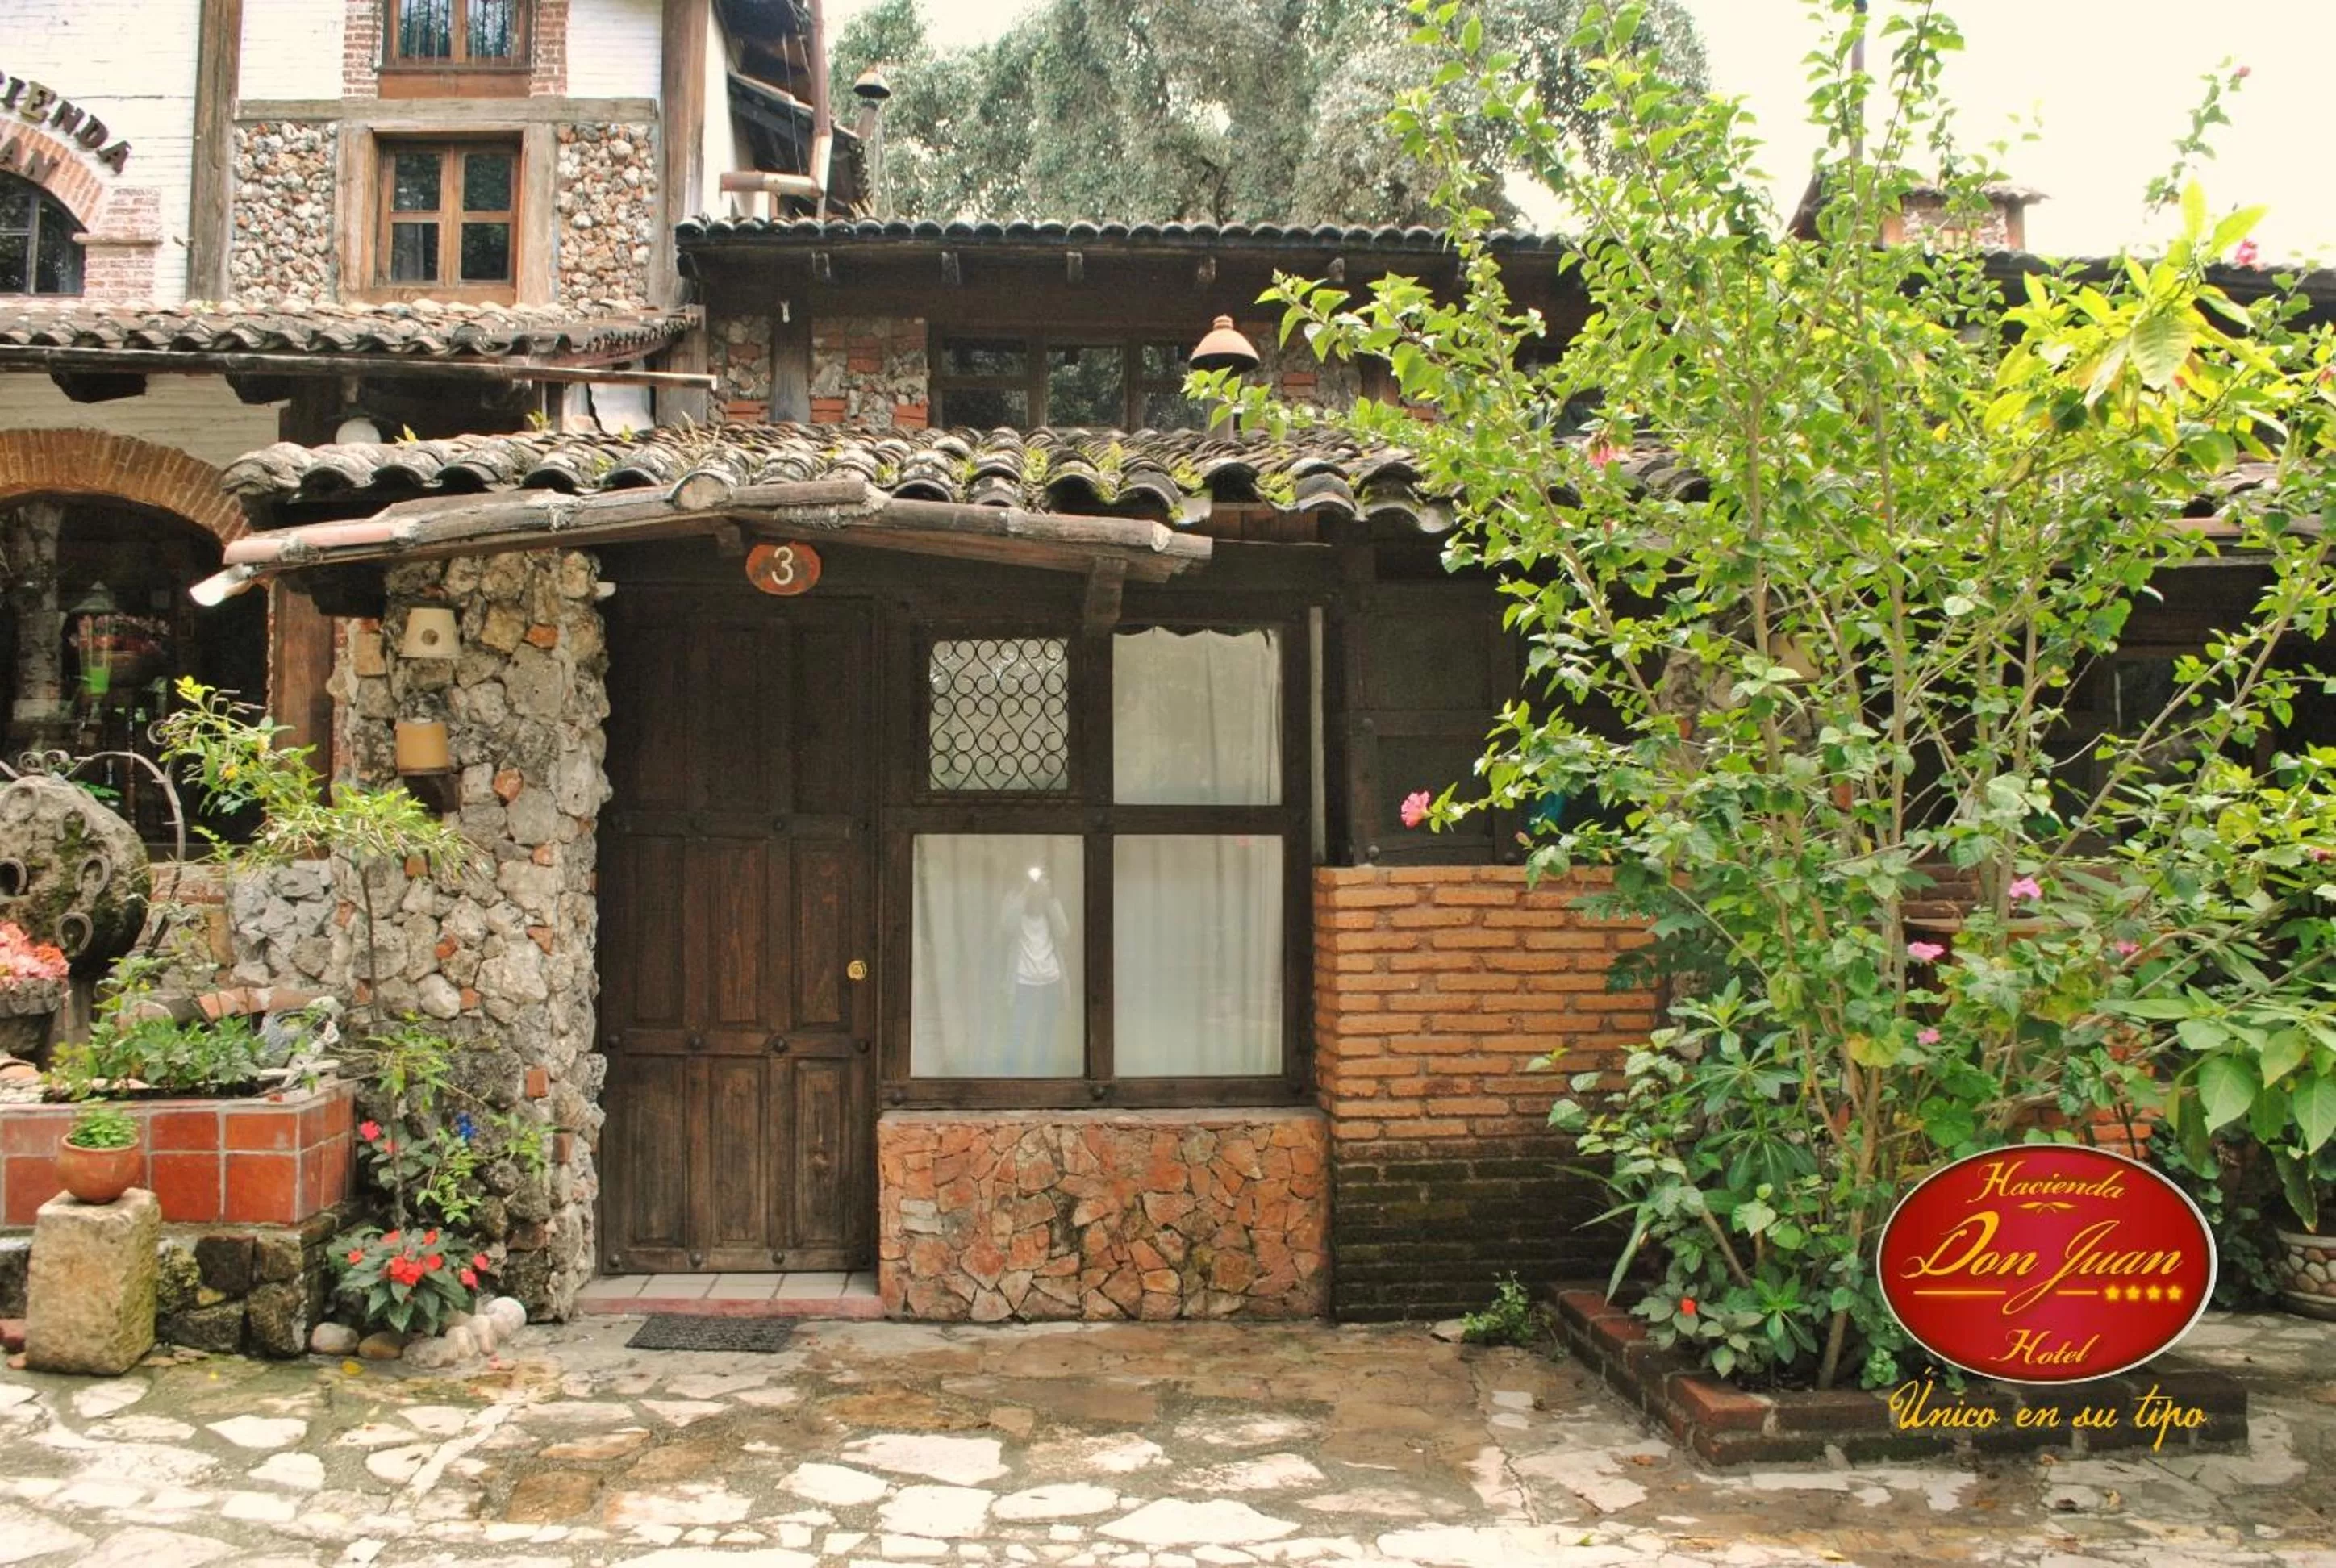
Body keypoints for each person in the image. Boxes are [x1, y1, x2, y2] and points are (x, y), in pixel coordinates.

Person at [999, 865, 1070, 1074]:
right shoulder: (1014, 900)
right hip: (1023, 981)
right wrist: (1024, 894)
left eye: (1040, 881)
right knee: (1018, 1031)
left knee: (1045, 1033)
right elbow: (1006, 927)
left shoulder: (1051, 905)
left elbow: (1064, 933)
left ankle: (1041, 1074)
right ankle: (1012, 1076)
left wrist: (1050, 899)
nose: (1036, 885)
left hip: (1051, 980)